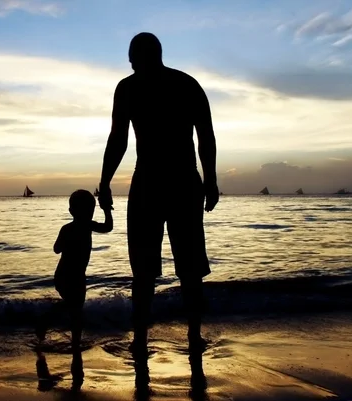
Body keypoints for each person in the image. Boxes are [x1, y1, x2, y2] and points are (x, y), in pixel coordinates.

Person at [97, 32, 219, 356]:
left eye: (133, 58)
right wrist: (211, 180)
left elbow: (118, 139)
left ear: (141, 56)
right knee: (178, 268)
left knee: (151, 269)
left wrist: (105, 181)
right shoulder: (185, 84)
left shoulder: (131, 87)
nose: (132, 64)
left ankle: (149, 340)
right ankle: (188, 337)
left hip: (156, 182)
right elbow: (205, 137)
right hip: (177, 182)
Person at [36, 189, 112, 378]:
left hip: (75, 276)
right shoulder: (77, 227)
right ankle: (49, 325)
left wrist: (107, 210)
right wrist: (107, 211)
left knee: (75, 310)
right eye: (88, 211)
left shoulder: (79, 227)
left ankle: (73, 343)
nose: (89, 215)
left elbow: (107, 228)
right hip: (66, 275)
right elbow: (56, 249)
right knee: (74, 308)